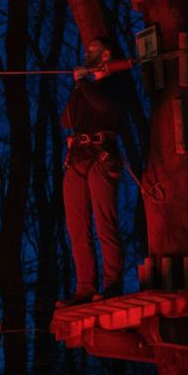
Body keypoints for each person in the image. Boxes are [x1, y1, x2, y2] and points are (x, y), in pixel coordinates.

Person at [57, 38, 132, 308]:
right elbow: (66, 120)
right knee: (76, 227)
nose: (87, 51)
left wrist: (83, 84)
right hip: (77, 157)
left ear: (106, 53)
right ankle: (84, 288)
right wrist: (79, 87)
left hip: (102, 156)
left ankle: (113, 283)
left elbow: (104, 106)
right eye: (87, 49)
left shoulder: (116, 84)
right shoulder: (84, 88)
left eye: (93, 49)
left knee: (104, 223)